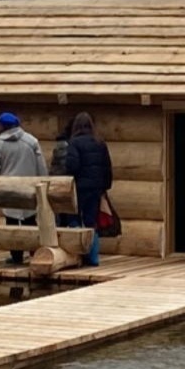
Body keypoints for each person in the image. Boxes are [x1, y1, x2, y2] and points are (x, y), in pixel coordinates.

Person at [0, 112, 47, 265]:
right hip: (29, 188)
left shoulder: (0, 144)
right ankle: (35, 253)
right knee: (30, 221)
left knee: (12, 223)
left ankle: (16, 257)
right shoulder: (32, 141)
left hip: (10, 189)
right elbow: (42, 168)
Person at [64, 111, 114, 267]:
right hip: (96, 188)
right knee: (91, 222)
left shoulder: (74, 143)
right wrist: (105, 186)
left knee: (74, 219)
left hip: (79, 187)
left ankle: (77, 252)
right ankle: (93, 258)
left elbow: (72, 166)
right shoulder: (100, 142)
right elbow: (107, 166)